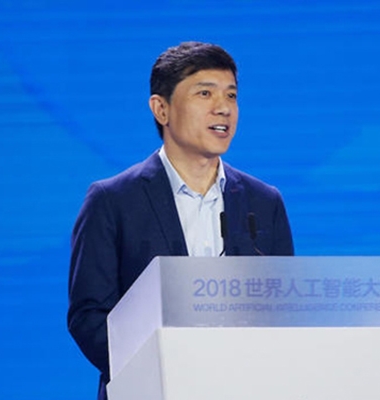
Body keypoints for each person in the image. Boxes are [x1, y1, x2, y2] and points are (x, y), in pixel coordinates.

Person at [67, 41, 294, 399]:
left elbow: (284, 311)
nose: (223, 108)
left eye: (231, 95)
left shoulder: (264, 202)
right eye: (205, 93)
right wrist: (166, 373)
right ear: (162, 109)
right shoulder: (112, 201)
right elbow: (90, 316)